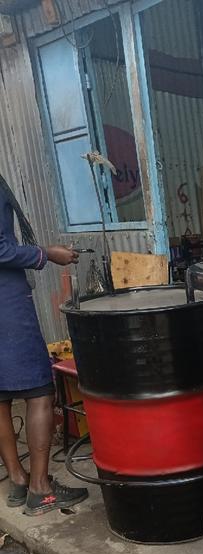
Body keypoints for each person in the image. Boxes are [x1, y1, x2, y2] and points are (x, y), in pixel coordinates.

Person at [0, 172, 88, 515]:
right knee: (40, 390)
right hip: (6, 306)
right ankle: (40, 489)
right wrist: (47, 254)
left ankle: (18, 480)